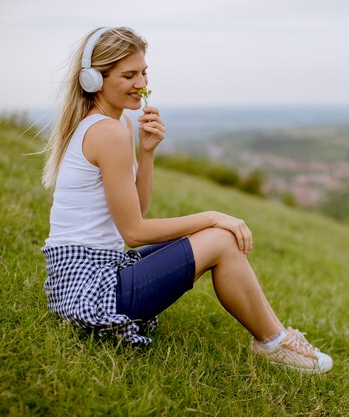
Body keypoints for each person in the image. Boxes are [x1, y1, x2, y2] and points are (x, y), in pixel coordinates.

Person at [41, 26, 332, 374]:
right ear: (93, 80)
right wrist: (212, 216)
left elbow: (137, 209)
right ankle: (275, 343)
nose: (141, 82)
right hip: (90, 290)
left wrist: (146, 154)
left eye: (144, 71)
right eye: (128, 74)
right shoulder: (107, 132)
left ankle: (276, 338)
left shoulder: (113, 125)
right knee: (221, 239)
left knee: (217, 240)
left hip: (90, 276)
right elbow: (134, 232)